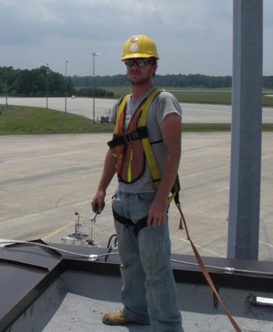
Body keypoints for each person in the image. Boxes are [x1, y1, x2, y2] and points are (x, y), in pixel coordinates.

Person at [91, 34, 184, 332]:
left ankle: (168, 327)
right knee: (130, 265)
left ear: (153, 67)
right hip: (124, 199)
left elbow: (173, 153)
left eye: (141, 62)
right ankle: (135, 312)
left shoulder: (163, 102)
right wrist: (102, 188)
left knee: (157, 271)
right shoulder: (122, 105)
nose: (135, 67)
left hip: (149, 202)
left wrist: (160, 201)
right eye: (130, 62)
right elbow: (115, 149)